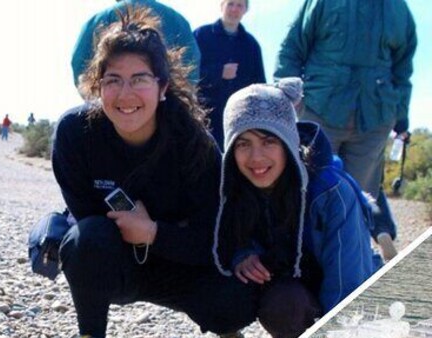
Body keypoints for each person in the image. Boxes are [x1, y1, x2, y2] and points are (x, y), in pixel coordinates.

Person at [52, 8, 257, 338]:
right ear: (97, 86)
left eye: (139, 79)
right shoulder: (74, 134)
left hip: (184, 263)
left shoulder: (195, 144)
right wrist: (129, 236)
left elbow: (215, 239)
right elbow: (85, 216)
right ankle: (89, 336)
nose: (126, 93)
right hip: (120, 259)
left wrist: (153, 233)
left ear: (163, 87)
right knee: (84, 240)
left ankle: (228, 333)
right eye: (113, 79)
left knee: (239, 292)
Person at [213, 79, 380, 338]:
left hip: (351, 288)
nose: (256, 157)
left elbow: (347, 282)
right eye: (243, 143)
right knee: (283, 306)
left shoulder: (332, 192)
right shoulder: (235, 186)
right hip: (292, 285)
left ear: (289, 141)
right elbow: (232, 236)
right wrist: (242, 254)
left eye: (269, 141)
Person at [274, 0, 417, 261]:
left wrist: (401, 114)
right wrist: (287, 94)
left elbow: (403, 68)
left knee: (357, 198)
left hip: (375, 116)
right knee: (310, 187)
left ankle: (348, 267)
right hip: (320, 108)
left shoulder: (398, 9)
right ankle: (302, 262)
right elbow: (293, 48)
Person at [71, 0, 201, 87]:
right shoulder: (177, 20)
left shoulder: (98, 20)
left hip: (111, 111)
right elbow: (191, 68)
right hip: (169, 114)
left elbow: (80, 66)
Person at [193, 0, 265, 146]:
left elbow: (260, 84)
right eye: (230, 4)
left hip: (239, 120)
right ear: (221, 5)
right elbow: (186, 72)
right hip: (203, 116)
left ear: (245, 10)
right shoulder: (201, 35)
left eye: (240, 5)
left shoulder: (251, 45)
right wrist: (219, 72)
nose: (234, 9)